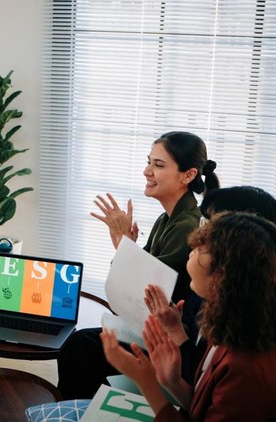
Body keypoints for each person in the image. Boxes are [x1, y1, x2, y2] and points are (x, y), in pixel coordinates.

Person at [101, 212, 276, 420]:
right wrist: (171, 381)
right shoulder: (239, 323)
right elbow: (202, 408)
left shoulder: (247, 370)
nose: (192, 250)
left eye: (203, 248)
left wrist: (146, 382)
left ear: (227, 274)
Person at [58, 131, 219, 399]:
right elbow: (129, 279)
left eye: (158, 165)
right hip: (151, 324)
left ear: (188, 175)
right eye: (149, 162)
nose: (147, 171)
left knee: (79, 347)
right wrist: (124, 246)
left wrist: (124, 244)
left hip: (169, 336)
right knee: (81, 342)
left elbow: (142, 289)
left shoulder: (188, 225)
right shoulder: (166, 219)